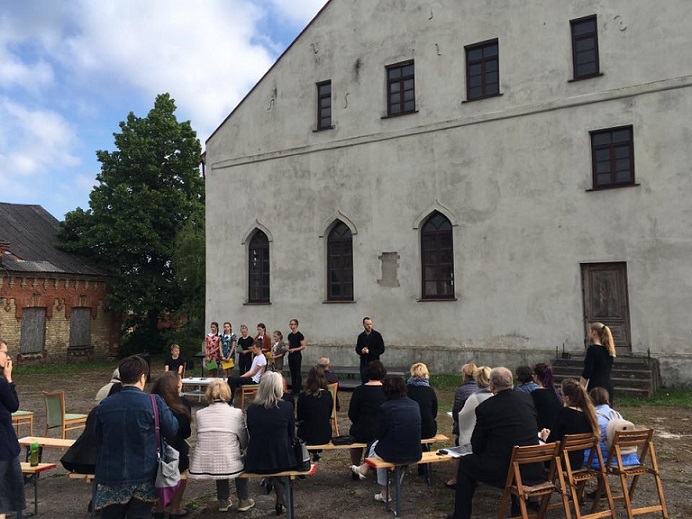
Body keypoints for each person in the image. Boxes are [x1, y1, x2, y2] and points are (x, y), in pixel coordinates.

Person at [449, 367, 542, 519]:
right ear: (512, 382)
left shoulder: (486, 407)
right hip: (532, 467)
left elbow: (477, 446)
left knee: (466, 463)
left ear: (492, 386)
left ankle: (461, 515)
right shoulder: (527, 399)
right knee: (513, 453)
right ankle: (517, 512)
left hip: (505, 471)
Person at [94, 355, 178, 519]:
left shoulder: (105, 405)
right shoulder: (154, 402)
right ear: (142, 377)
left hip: (111, 474)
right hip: (144, 474)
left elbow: (97, 437)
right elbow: (172, 429)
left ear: (121, 378)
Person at [351, 375, 422, 503]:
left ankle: (382, 490)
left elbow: (378, 434)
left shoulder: (386, 408)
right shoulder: (414, 404)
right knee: (380, 449)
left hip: (396, 453)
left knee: (377, 448)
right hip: (415, 451)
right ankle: (367, 471)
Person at [188, 380, 255, 513]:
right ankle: (243, 499)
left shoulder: (200, 413)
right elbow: (244, 439)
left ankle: (223, 500)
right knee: (236, 457)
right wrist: (241, 446)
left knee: (218, 454)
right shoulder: (236, 413)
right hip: (229, 460)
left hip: (206, 459)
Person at [244, 372, 297, 515]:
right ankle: (280, 498)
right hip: (282, 459)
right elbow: (291, 435)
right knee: (278, 452)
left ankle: (272, 486)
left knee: (269, 448)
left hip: (256, 460)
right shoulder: (286, 407)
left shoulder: (251, 409)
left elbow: (252, 433)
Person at [151, 372, 193, 518]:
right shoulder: (183, 404)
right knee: (183, 470)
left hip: (153, 450)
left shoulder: (151, 402)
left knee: (157, 471)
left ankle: (159, 508)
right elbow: (186, 433)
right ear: (176, 386)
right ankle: (175, 508)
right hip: (176, 451)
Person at [541, 378, 599, 470]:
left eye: (562, 394)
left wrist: (544, 438)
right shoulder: (589, 415)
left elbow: (552, 442)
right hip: (577, 462)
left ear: (567, 398)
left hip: (560, 462)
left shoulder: (564, 413)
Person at [0, 339, 25, 519]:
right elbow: (13, 405)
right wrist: (9, 379)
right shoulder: (1, 383)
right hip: (3, 445)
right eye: (4, 352)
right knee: (4, 489)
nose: (8, 357)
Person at [585, 387, 639, 469]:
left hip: (603, 458)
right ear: (607, 399)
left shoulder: (592, 416)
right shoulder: (616, 414)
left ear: (590, 400)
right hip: (626, 456)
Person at [348, 361, 387, 470]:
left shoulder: (359, 390)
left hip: (362, 429)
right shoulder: (387, 390)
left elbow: (352, 413)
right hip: (382, 431)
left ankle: (355, 465)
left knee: (355, 437)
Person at [446, 362, 478, 489]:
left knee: (459, 450)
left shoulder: (461, 390)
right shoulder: (481, 389)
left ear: (464, 374)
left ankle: (456, 478)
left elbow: (456, 413)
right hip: (479, 425)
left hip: (465, 426)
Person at [297, 366, 333, 461]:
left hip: (307, 435)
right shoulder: (328, 394)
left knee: (303, 428)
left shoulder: (303, 395)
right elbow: (329, 414)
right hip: (325, 435)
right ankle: (315, 452)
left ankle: (307, 457)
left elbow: (300, 416)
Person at [581, 322, 616, 404]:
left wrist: (580, 388)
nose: (588, 335)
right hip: (608, 386)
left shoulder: (592, 349)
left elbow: (587, 372)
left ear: (594, 333)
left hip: (596, 388)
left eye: (589, 332)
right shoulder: (609, 350)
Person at [531, 362, 563, 431]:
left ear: (536, 376)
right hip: (556, 430)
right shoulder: (556, 394)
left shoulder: (535, 394)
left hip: (543, 431)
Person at [355, 317, 385, 384]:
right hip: (364, 363)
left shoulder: (377, 335)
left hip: (374, 362)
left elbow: (382, 349)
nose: (369, 326)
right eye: (367, 324)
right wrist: (361, 351)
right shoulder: (361, 336)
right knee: (364, 381)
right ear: (364, 325)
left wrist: (370, 351)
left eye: (370, 324)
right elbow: (357, 349)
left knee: (375, 381)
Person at [286, 318, 306, 398]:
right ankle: (293, 389)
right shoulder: (290, 335)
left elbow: (303, 346)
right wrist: (288, 349)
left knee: (297, 372)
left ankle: (297, 390)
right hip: (291, 355)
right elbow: (289, 344)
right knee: (292, 372)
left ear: (296, 325)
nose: (291, 326)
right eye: (290, 324)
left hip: (297, 355)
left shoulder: (300, 335)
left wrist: (294, 349)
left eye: (292, 324)